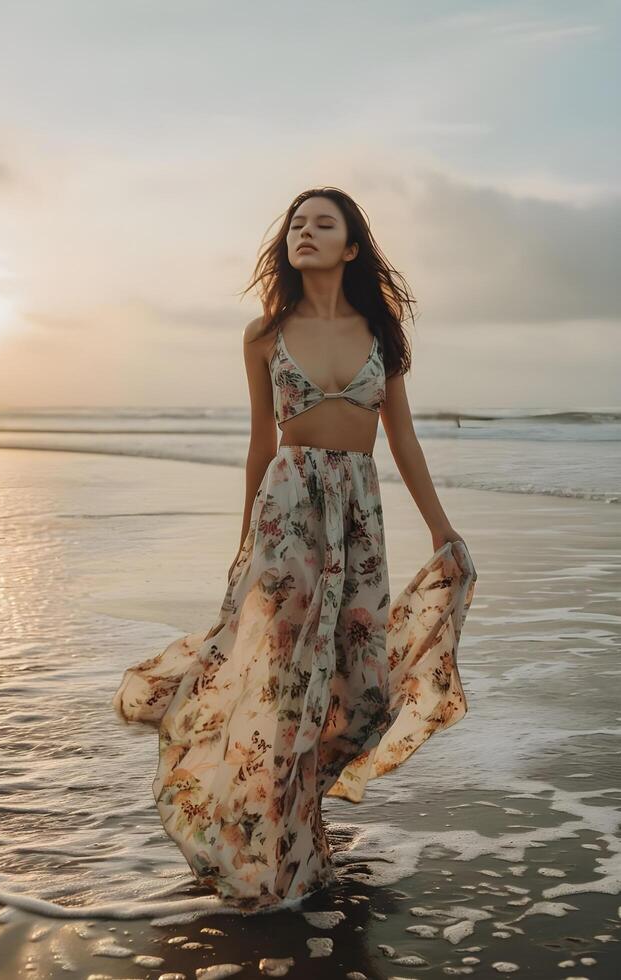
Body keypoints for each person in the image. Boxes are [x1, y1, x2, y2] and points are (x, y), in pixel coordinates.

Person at [112, 186, 478, 912]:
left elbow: (401, 440)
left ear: (351, 246)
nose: (303, 234)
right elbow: (259, 443)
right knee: (284, 676)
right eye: (295, 225)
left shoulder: (383, 331)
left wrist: (441, 528)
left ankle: (300, 816)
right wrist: (244, 540)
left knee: (351, 678)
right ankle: (280, 845)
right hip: (287, 513)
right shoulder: (263, 333)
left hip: (357, 517)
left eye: (322, 224)